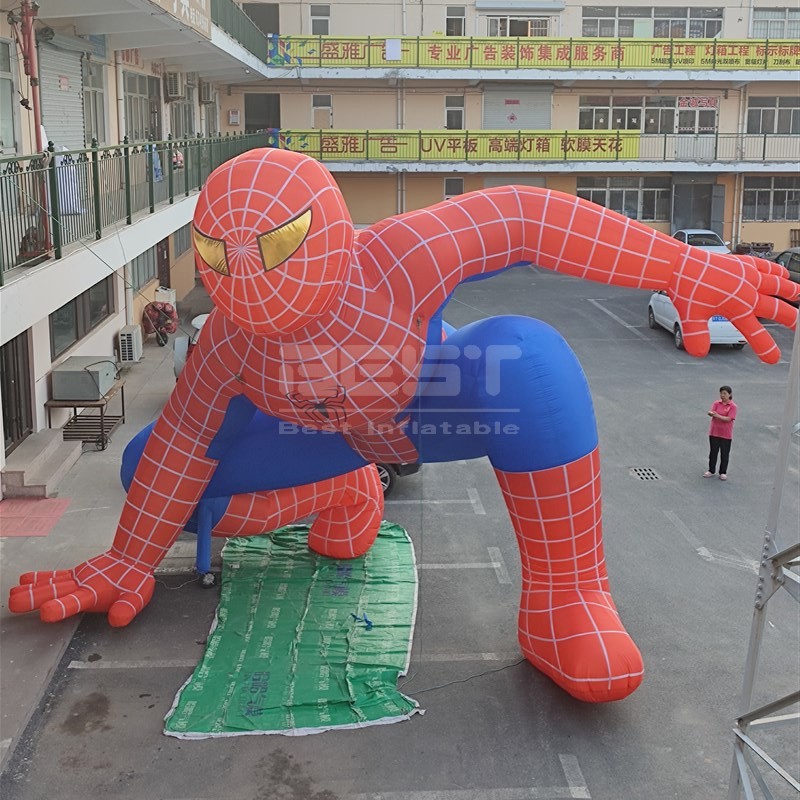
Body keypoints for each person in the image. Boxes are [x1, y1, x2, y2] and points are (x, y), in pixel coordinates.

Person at [8, 149, 798, 704]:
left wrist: (680, 266)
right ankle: (341, 496)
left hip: (425, 411)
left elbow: (526, 217)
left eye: (276, 246)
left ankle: (567, 602)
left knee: (525, 358)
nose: (244, 276)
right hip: (314, 438)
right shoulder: (227, 341)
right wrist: (126, 561)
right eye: (217, 255)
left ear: (326, 228)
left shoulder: (400, 255)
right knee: (145, 463)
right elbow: (179, 446)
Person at [705, 385, 737, 480]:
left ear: (729, 394)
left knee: (724, 453)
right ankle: (711, 470)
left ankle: (723, 472)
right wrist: (711, 413)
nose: (722, 395)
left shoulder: (733, 406)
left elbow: (728, 419)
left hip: (726, 434)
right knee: (713, 452)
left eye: (725, 393)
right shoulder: (716, 403)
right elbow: (712, 412)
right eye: (721, 393)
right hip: (714, 432)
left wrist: (717, 415)